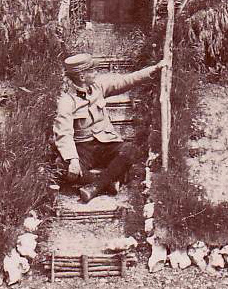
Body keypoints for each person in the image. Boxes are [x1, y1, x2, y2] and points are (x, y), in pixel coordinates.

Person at [54, 53, 165, 203]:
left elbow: (125, 81)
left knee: (131, 150)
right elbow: (64, 134)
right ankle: (109, 182)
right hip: (82, 148)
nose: (96, 73)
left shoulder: (98, 87)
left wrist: (152, 70)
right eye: (92, 71)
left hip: (105, 143)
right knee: (62, 167)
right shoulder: (66, 102)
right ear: (81, 77)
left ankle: (96, 186)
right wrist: (73, 159)